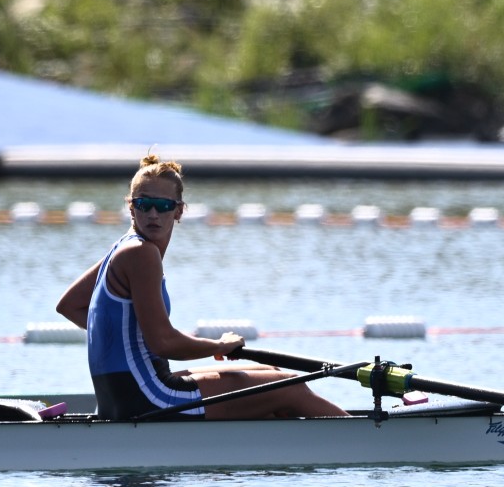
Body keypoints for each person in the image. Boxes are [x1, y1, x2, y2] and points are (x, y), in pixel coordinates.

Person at [56, 154, 349, 421]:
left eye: (164, 206)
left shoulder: (122, 247)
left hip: (126, 395)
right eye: (144, 205)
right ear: (131, 207)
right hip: (149, 398)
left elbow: (70, 305)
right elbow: (163, 343)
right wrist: (218, 346)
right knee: (291, 388)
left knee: (273, 375)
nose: (153, 215)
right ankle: (359, 434)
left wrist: (130, 341)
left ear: (179, 211)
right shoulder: (140, 254)